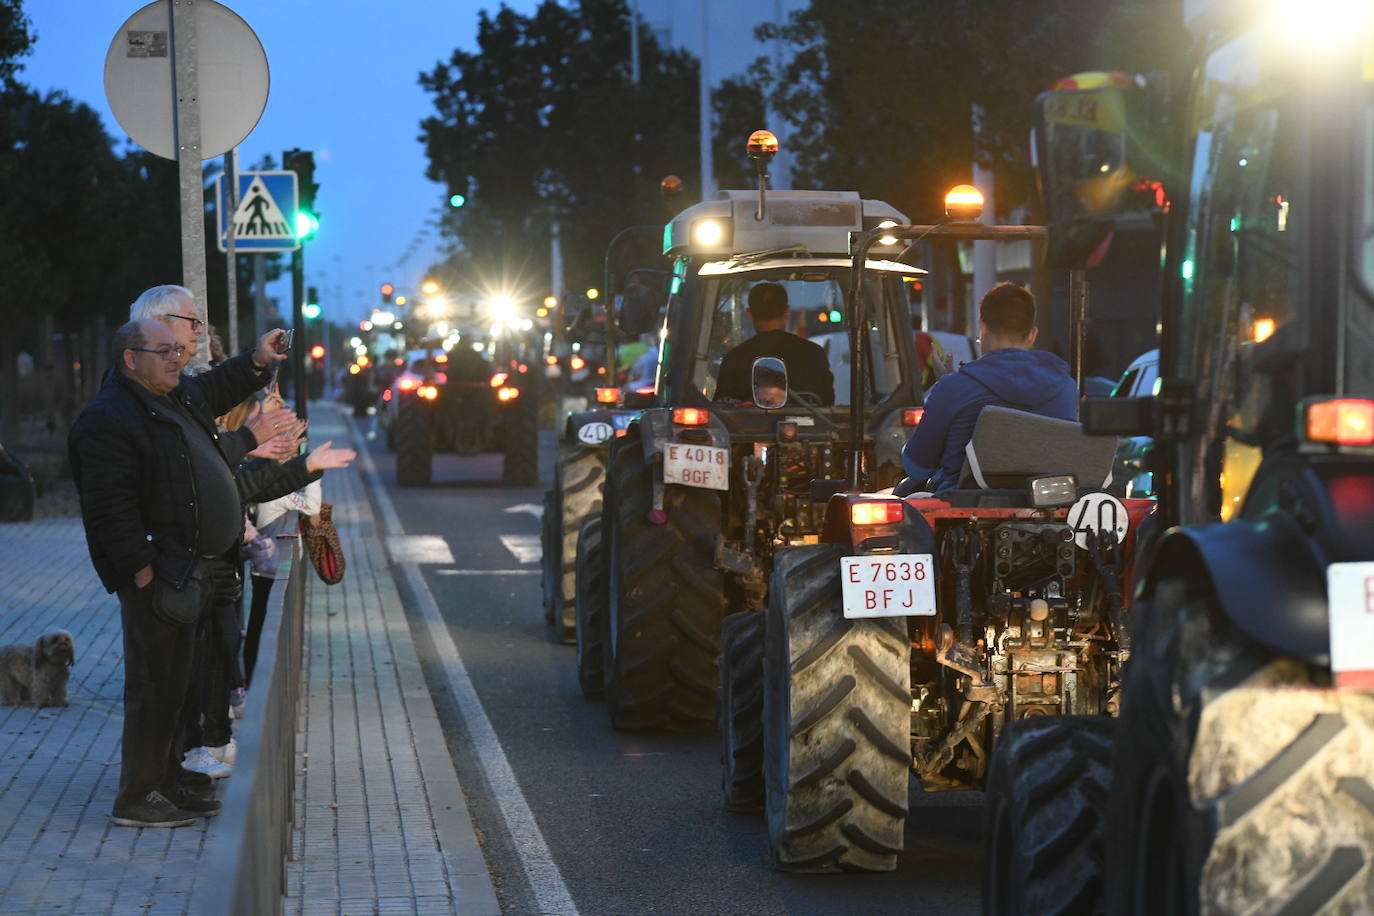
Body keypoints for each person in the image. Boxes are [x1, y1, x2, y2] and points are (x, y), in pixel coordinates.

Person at [67, 318, 289, 828]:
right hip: (162, 574)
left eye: (180, 350)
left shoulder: (175, 396)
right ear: (131, 358)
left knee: (182, 688)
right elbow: (108, 512)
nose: (178, 359)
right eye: (165, 350)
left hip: (194, 569)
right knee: (155, 689)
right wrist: (141, 572)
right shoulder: (110, 419)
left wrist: (256, 361)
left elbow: (214, 386)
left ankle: (168, 783)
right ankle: (137, 796)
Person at [902, 283, 1078, 492]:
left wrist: (945, 387)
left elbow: (917, 468)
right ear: (1032, 335)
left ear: (983, 328)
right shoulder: (1066, 387)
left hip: (960, 510)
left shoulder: (954, 388)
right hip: (1046, 503)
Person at [714, 282, 834, 405]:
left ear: (750, 314)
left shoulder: (734, 358)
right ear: (787, 311)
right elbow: (827, 405)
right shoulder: (813, 354)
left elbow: (722, 406)